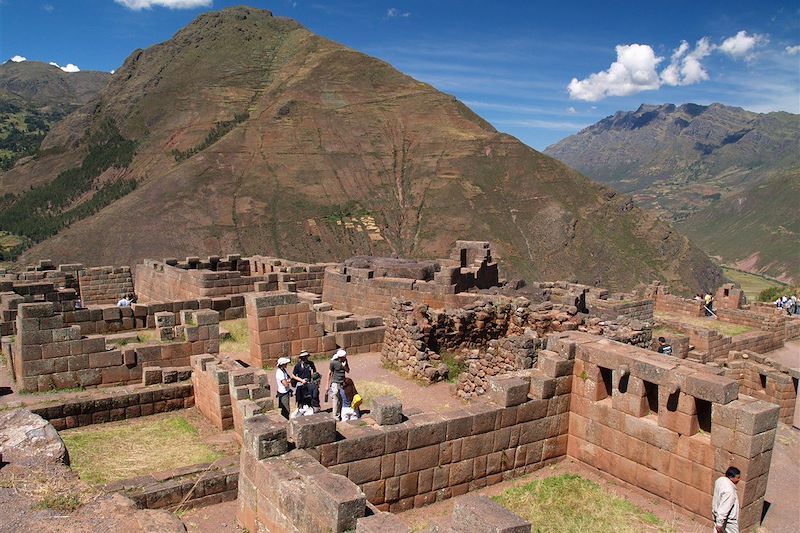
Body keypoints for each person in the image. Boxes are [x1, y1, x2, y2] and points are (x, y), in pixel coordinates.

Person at [712, 467, 741, 533]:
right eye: (737, 477)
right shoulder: (729, 491)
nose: (739, 479)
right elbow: (724, 508)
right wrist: (719, 523)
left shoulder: (720, 480)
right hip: (727, 521)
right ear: (731, 477)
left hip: (717, 515)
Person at [327, 349, 349, 420]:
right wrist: (327, 384)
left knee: (342, 398)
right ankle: (335, 416)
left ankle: (341, 414)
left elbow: (348, 370)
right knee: (335, 398)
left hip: (342, 382)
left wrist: (344, 366)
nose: (345, 358)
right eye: (344, 357)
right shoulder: (333, 363)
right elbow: (330, 373)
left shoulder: (345, 361)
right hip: (335, 382)